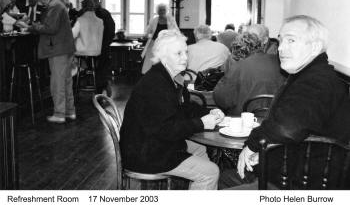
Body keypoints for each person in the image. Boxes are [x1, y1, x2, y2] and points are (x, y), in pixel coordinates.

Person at [237, 15, 350, 188]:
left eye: (291, 40)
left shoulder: (317, 80)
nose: (281, 48)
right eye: (280, 41)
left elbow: (288, 127)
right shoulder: (310, 74)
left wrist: (252, 145)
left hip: (303, 186)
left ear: (315, 47)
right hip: (292, 168)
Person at [120, 30, 224, 190]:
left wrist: (208, 113)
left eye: (186, 52)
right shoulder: (156, 84)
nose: (185, 58)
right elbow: (166, 130)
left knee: (201, 149)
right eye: (178, 53)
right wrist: (201, 124)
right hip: (145, 153)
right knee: (211, 172)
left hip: (155, 144)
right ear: (163, 57)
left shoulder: (171, 77)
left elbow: (185, 107)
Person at [28, 0, 76, 123]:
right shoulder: (58, 5)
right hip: (64, 48)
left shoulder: (54, 6)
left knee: (57, 82)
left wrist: (32, 26)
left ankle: (59, 114)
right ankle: (69, 111)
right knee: (66, 81)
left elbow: (51, 28)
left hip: (57, 49)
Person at [213, 31, 285, 116]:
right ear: (260, 45)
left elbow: (223, 100)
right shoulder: (279, 62)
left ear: (238, 49)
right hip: (276, 115)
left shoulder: (238, 67)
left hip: (245, 117)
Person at [88, 0, 115, 92]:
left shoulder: (102, 13)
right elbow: (111, 30)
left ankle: (100, 90)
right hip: (98, 45)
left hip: (100, 46)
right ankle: (103, 85)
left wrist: (105, 43)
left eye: (95, 1)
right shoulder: (101, 13)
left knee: (100, 69)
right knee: (99, 68)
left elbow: (111, 30)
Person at [141, 3, 179, 74]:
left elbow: (176, 30)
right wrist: (145, 35)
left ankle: (166, 75)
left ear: (166, 10)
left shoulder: (171, 19)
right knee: (150, 61)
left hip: (166, 44)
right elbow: (148, 31)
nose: (162, 11)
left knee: (165, 61)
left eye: (163, 10)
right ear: (157, 11)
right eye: (160, 10)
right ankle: (149, 74)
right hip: (154, 43)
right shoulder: (154, 20)